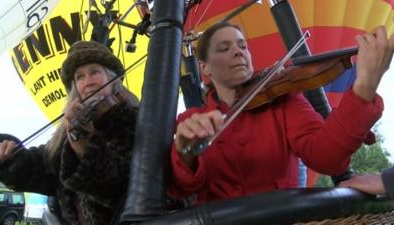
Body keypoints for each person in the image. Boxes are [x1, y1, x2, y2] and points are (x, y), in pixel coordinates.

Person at [168, 22, 394, 204]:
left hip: (283, 217)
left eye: (242, 46)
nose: (238, 52)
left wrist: (364, 87)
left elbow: (328, 158)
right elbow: (179, 189)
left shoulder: (284, 100)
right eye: (224, 48)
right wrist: (186, 153)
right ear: (204, 68)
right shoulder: (190, 120)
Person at [0, 40, 139, 225]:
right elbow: (43, 166)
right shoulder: (68, 131)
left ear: (112, 78)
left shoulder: (132, 121)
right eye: (80, 77)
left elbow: (117, 187)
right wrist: (8, 157)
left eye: (95, 72)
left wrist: (84, 145)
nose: (88, 82)